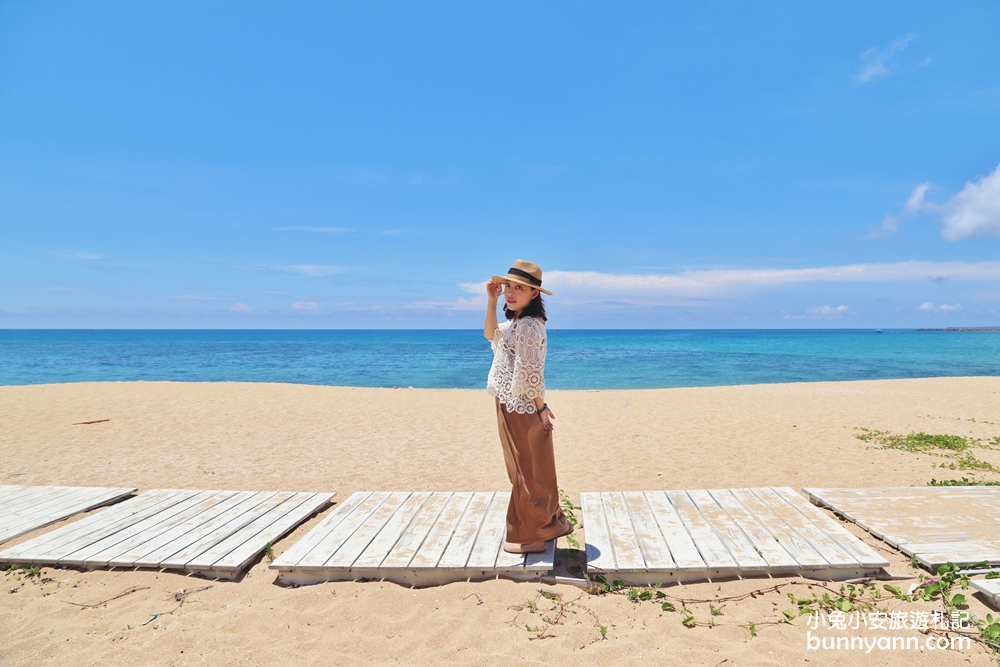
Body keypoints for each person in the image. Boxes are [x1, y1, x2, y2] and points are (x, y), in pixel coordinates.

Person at [484, 259, 573, 554]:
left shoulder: (529, 327)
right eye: (509, 286)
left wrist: (540, 407)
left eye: (518, 288)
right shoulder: (517, 323)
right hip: (510, 402)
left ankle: (533, 536)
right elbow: (490, 334)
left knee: (528, 469)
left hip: (521, 405)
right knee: (524, 469)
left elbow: (530, 371)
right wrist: (492, 300)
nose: (511, 292)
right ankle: (546, 525)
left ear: (534, 293)